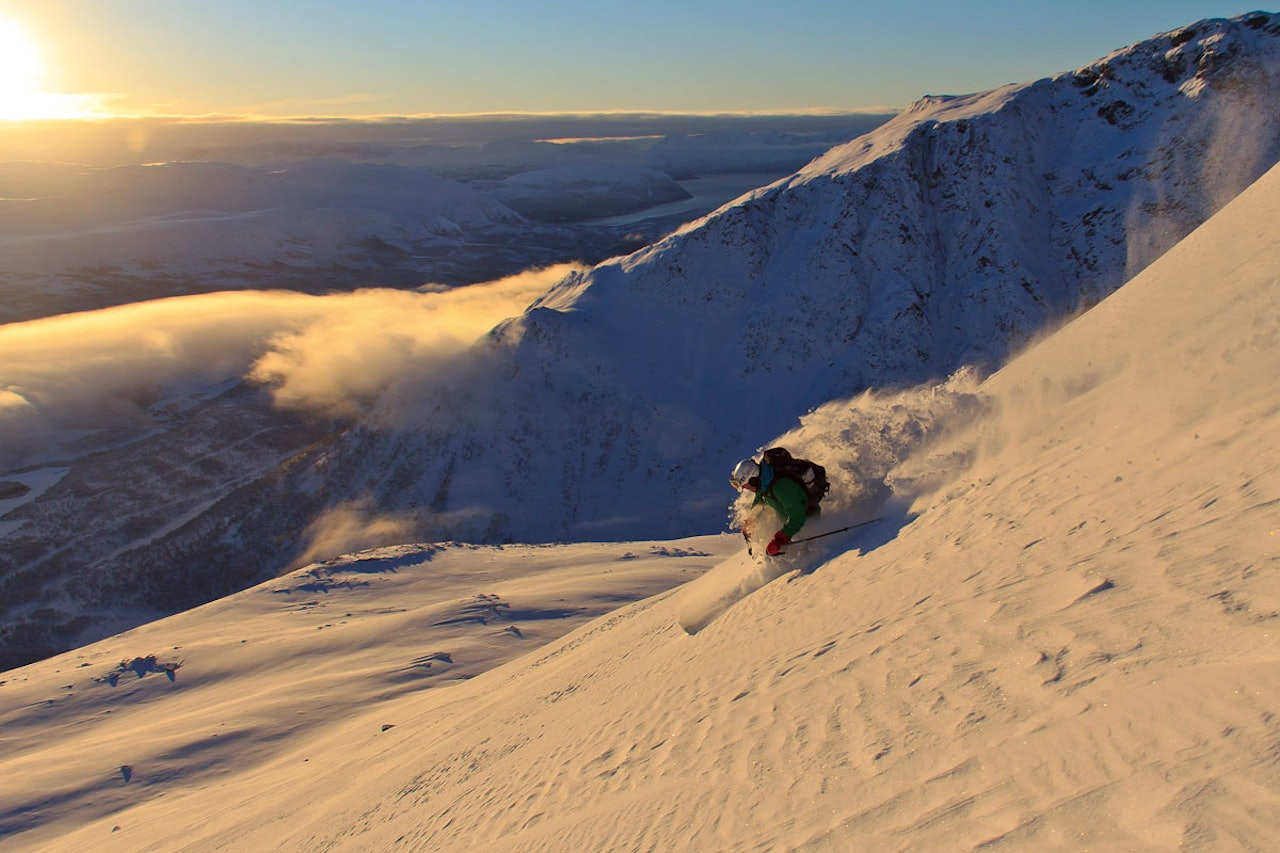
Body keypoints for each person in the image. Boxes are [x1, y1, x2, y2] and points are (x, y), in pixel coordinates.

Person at [730, 452, 818, 556]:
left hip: (810, 524)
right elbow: (759, 501)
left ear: (753, 479)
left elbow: (797, 516)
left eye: (746, 485)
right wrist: (750, 521)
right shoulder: (763, 484)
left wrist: (780, 539)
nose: (746, 489)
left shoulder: (781, 487)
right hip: (794, 528)